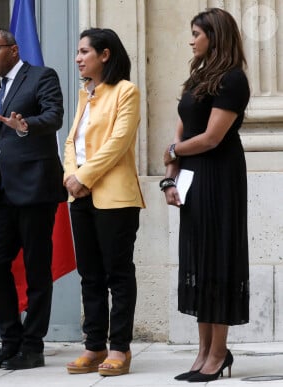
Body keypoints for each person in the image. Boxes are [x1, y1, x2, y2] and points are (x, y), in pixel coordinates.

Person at [0, 28, 66, 370]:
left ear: (13, 49)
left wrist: (25, 125)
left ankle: (32, 346)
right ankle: (10, 341)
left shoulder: (41, 76)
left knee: (38, 270)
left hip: (36, 188)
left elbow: (54, 116)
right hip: (3, 191)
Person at [161, 8, 250, 383]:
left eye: (197, 33)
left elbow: (212, 138)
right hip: (193, 177)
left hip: (220, 176)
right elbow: (181, 132)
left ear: (215, 36)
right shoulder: (197, 77)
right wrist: (169, 178)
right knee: (198, 258)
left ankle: (217, 355)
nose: (191, 39)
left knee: (218, 259)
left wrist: (174, 153)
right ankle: (203, 353)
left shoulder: (233, 80)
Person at [62, 28, 144, 377]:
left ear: (105, 54)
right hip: (80, 195)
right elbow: (71, 142)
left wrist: (84, 177)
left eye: (84, 52)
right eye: (78, 52)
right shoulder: (86, 94)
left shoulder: (126, 91)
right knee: (90, 275)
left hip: (115, 197)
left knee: (118, 274)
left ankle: (120, 349)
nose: (78, 58)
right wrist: (69, 175)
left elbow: (118, 142)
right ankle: (94, 346)